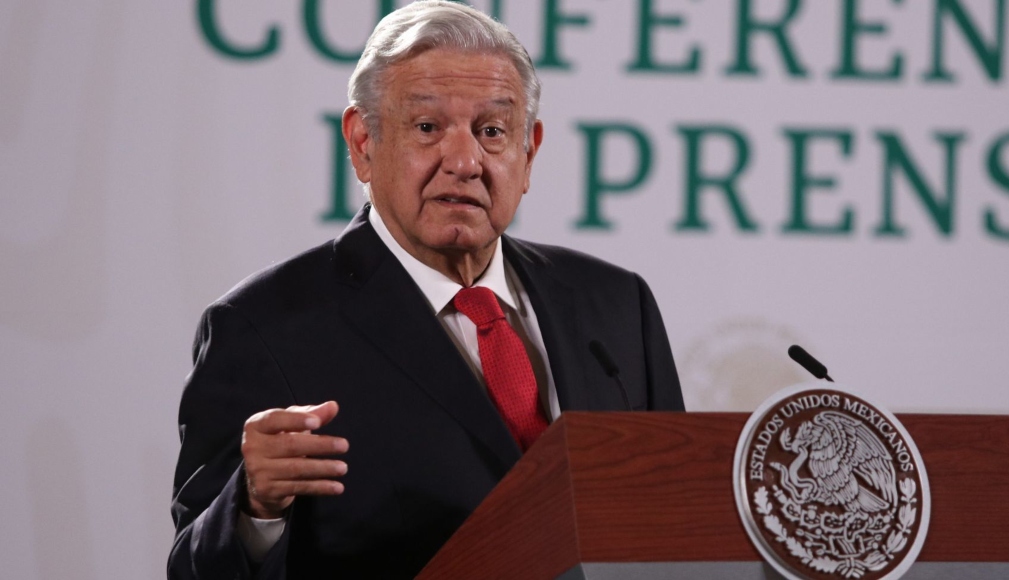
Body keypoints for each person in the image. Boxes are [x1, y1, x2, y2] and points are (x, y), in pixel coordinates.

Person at [168, 2, 684, 578]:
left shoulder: (616, 306)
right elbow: (194, 569)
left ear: (529, 152)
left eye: (492, 132)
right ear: (363, 142)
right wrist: (255, 507)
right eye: (427, 128)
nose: (464, 161)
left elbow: (677, 526)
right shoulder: (265, 328)